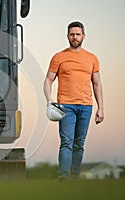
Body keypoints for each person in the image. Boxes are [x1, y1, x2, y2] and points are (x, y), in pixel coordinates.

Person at [43, 21, 104, 179]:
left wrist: (101, 108)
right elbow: (48, 80)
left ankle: (74, 178)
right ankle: (64, 177)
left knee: (79, 144)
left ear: (83, 36)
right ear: (67, 36)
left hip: (86, 106)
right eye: (72, 34)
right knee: (66, 142)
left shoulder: (92, 58)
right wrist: (49, 100)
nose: (75, 37)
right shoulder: (59, 57)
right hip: (66, 106)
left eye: (77, 34)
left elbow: (97, 84)